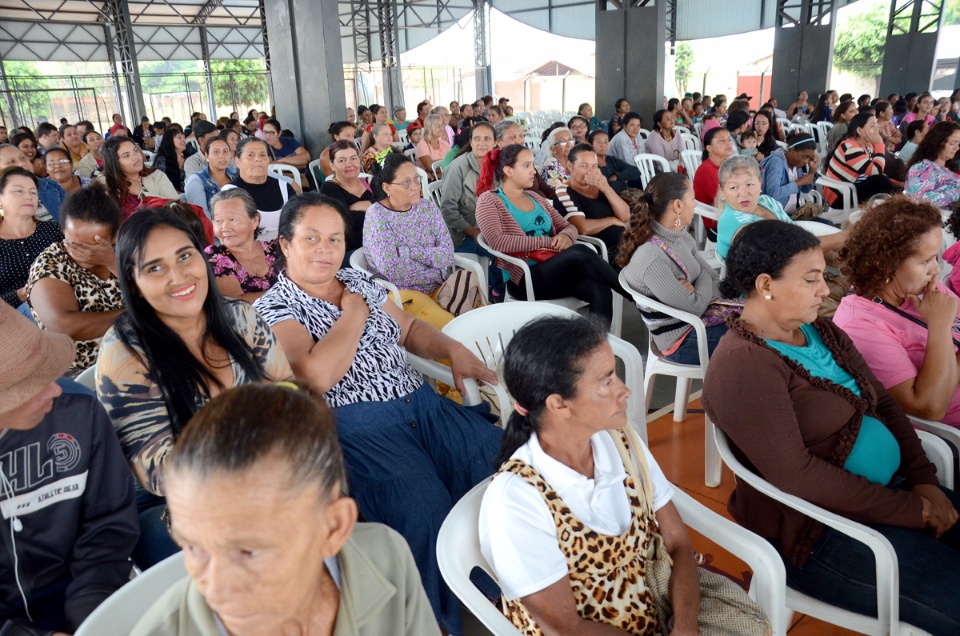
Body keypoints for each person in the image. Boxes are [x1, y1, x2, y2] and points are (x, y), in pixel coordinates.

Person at [253, 193, 502, 634]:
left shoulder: (359, 279)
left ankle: (497, 588)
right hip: (360, 427)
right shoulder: (274, 306)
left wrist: (453, 349)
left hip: (421, 405)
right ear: (285, 245)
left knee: (494, 463)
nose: (325, 249)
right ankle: (438, 620)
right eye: (311, 238)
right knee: (424, 509)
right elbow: (313, 376)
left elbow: (408, 329)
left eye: (334, 239)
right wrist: (351, 314)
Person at [702, 219, 960, 635]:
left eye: (824, 276)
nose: (825, 290)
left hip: (892, 492)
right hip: (818, 534)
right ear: (766, 284)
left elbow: (886, 404)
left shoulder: (819, 330)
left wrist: (923, 479)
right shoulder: (743, 365)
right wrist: (914, 509)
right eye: (812, 279)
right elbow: (796, 476)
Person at [480, 314, 767, 634]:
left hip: (652, 605)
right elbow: (567, 628)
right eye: (606, 382)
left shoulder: (620, 441)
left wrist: (685, 625)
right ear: (559, 404)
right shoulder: (516, 500)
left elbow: (677, 544)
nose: (625, 391)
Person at [130, 383, 440, 636]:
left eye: (250, 551)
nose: (218, 590)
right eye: (194, 547)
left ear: (332, 527)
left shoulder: (385, 557)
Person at [96, 208, 292, 568]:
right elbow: (161, 473)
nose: (179, 276)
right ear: (132, 280)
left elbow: (288, 393)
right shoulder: (124, 352)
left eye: (185, 256)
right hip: (174, 504)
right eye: (155, 268)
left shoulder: (239, 317)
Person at [0, 302, 139, 635]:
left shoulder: (80, 412)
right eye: (30, 383)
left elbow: (108, 525)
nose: (55, 388)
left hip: (90, 598)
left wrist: (88, 617)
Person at [834, 197, 960, 427]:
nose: (937, 269)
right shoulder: (860, 325)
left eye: (936, 257)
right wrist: (940, 325)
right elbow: (929, 407)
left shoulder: (920, 286)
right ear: (887, 264)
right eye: (925, 261)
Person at [475, 145, 627, 322]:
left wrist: (565, 236)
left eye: (533, 165)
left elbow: (568, 227)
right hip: (525, 276)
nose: (534, 171)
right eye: (527, 166)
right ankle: (632, 295)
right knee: (582, 252)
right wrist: (546, 242)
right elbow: (498, 242)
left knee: (600, 290)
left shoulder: (535, 197)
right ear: (508, 171)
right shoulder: (490, 200)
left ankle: (595, 346)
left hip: (554, 268)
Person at [619, 172, 728, 363]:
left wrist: (698, 286)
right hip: (683, 340)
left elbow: (714, 280)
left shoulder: (681, 236)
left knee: (765, 324)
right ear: (677, 205)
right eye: (693, 199)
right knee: (764, 338)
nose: (695, 205)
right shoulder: (651, 256)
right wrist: (702, 279)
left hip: (700, 324)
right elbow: (694, 306)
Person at [26, 184, 124, 372]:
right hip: (79, 370)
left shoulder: (123, 254)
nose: (84, 254)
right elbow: (63, 327)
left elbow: (152, 294)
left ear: (113, 238)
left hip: (137, 354)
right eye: (75, 243)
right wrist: (137, 314)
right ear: (63, 232)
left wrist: (113, 264)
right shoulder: (50, 264)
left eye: (94, 245)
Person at [363, 154, 468, 328]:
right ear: (386, 188)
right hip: (401, 293)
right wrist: (432, 268)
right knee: (451, 328)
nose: (415, 187)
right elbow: (391, 270)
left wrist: (407, 252)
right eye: (406, 182)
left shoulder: (427, 207)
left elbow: (447, 254)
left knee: (479, 317)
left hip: (439, 285)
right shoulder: (377, 215)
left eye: (416, 179)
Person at [717, 155, 846, 260]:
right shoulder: (730, 220)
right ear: (723, 190)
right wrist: (843, 237)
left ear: (760, 182)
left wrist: (833, 258)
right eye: (734, 187)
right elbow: (788, 251)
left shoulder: (767, 201)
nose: (744, 193)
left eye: (750, 184)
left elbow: (795, 235)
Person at [0, 167, 64, 311]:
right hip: (13, 317)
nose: (29, 196)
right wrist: (23, 293)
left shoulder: (54, 231)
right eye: (19, 191)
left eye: (33, 192)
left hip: (62, 301)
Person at [552, 143, 629, 264]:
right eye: (584, 166)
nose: (590, 172)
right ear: (570, 166)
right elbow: (583, 228)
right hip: (600, 252)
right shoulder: (563, 190)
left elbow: (625, 216)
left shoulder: (599, 185)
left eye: (594, 166)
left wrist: (607, 188)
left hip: (623, 245)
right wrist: (612, 220)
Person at [205, 188, 283, 303]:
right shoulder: (215, 256)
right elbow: (238, 303)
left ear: (254, 221)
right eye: (218, 221)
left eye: (233, 219)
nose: (225, 228)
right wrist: (288, 293)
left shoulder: (276, 248)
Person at [221, 137, 299, 242]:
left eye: (262, 155)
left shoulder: (284, 187)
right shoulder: (230, 193)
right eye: (250, 155)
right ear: (237, 161)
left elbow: (297, 224)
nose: (258, 159)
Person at [824, 112, 896, 207]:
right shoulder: (851, 147)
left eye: (876, 124)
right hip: (840, 195)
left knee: (886, 178)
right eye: (872, 125)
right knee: (881, 182)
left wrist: (897, 183)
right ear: (859, 130)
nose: (876, 128)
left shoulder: (866, 145)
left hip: (852, 187)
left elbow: (875, 169)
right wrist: (879, 144)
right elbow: (877, 171)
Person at [98, 136, 178, 219]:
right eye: (126, 156)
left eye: (135, 151)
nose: (136, 157)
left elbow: (177, 208)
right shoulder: (106, 183)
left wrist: (141, 192)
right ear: (114, 163)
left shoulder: (156, 176)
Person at [319, 140, 374, 253]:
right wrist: (374, 208)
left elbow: (388, 209)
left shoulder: (369, 182)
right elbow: (343, 222)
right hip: (350, 252)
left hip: (377, 245)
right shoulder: (329, 188)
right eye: (342, 160)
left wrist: (354, 210)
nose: (349, 164)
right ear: (332, 166)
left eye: (354, 158)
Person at [0, 141, 67, 222]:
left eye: (22, 158)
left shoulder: (51, 186)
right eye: (11, 161)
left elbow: (73, 217)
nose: (22, 164)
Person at [760, 132, 819, 218]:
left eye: (809, 158)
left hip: (792, 214)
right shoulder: (776, 162)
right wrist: (797, 182)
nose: (806, 162)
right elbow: (773, 193)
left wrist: (812, 171)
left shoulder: (796, 165)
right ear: (792, 150)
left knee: (827, 224)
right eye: (804, 157)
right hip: (776, 215)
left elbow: (805, 189)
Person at [904, 121, 960, 209]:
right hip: (936, 219)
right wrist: (956, 193)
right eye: (952, 143)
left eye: (958, 144)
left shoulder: (951, 167)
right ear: (938, 142)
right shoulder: (922, 168)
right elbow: (921, 199)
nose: (957, 148)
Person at [183, 136, 238, 220]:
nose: (222, 155)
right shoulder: (197, 180)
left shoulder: (236, 174)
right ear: (206, 155)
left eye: (225, 151)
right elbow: (202, 218)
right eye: (216, 152)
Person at [693, 127, 735, 236]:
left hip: (729, 216)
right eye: (722, 140)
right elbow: (725, 201)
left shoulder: (724, 165)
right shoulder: (707, 170)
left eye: (729, 140)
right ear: (709, 148)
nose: (728, 143)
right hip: (717, 224)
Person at [587, 128, 642, 193]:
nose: (603, 145)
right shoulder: (591, 165)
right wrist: (623, 180)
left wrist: (617, 176)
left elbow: (636, 171)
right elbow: (607, 188)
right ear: (591, 145)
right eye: (599, 142)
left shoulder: (612, 160)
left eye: (606, 142)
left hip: (624, 195)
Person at [154, 127, 187, 193]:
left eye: (184, 137)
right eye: (179, 137)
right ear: (169, 140)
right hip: (169, 197)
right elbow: (160, 183)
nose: (184, 140)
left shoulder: (188, 159)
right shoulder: (162, 159)